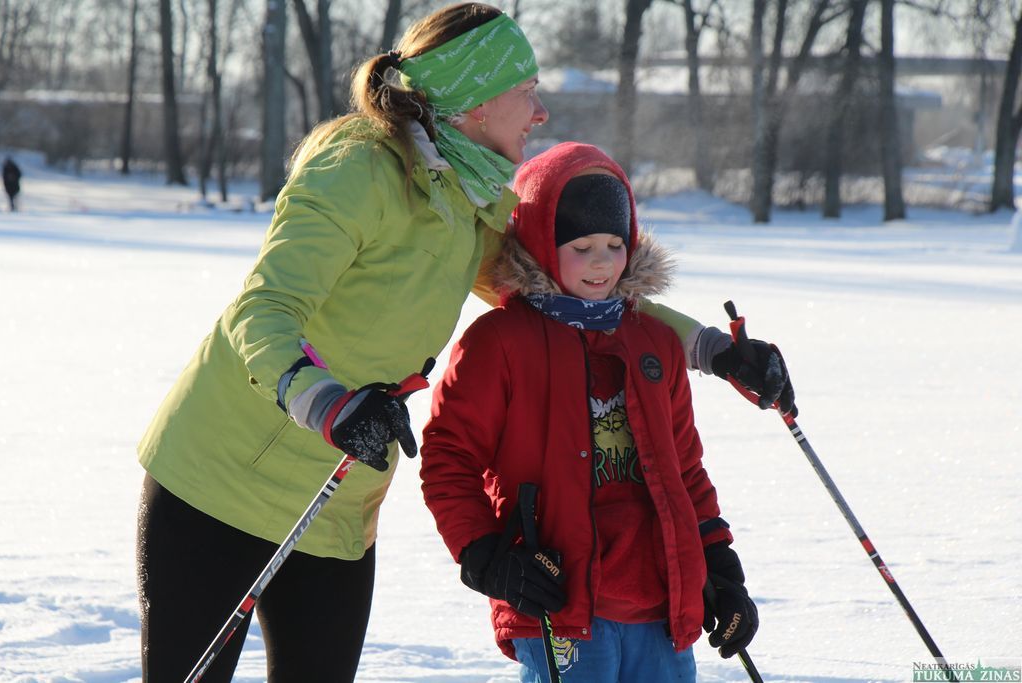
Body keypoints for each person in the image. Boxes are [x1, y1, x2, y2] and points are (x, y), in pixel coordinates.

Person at [135, 3, 792, 681]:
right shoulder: (356, 168)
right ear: (475, 100)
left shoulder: (467, 199)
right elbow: (263, 311)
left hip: (335, 505)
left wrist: (716, 350)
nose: (540, 113)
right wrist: (329, 404)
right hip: (219, 484)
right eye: (526, 93)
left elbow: (576, 298)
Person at [420, 142, 762, 682]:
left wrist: (718, 565)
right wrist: (484, 555)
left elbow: (685, 469)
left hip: (661, 606)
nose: (601, 261)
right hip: (556, 600)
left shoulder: (654, 342)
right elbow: (449, 458)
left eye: (613, 243)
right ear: (539, 243)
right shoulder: (499, 342)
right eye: (581, 246)